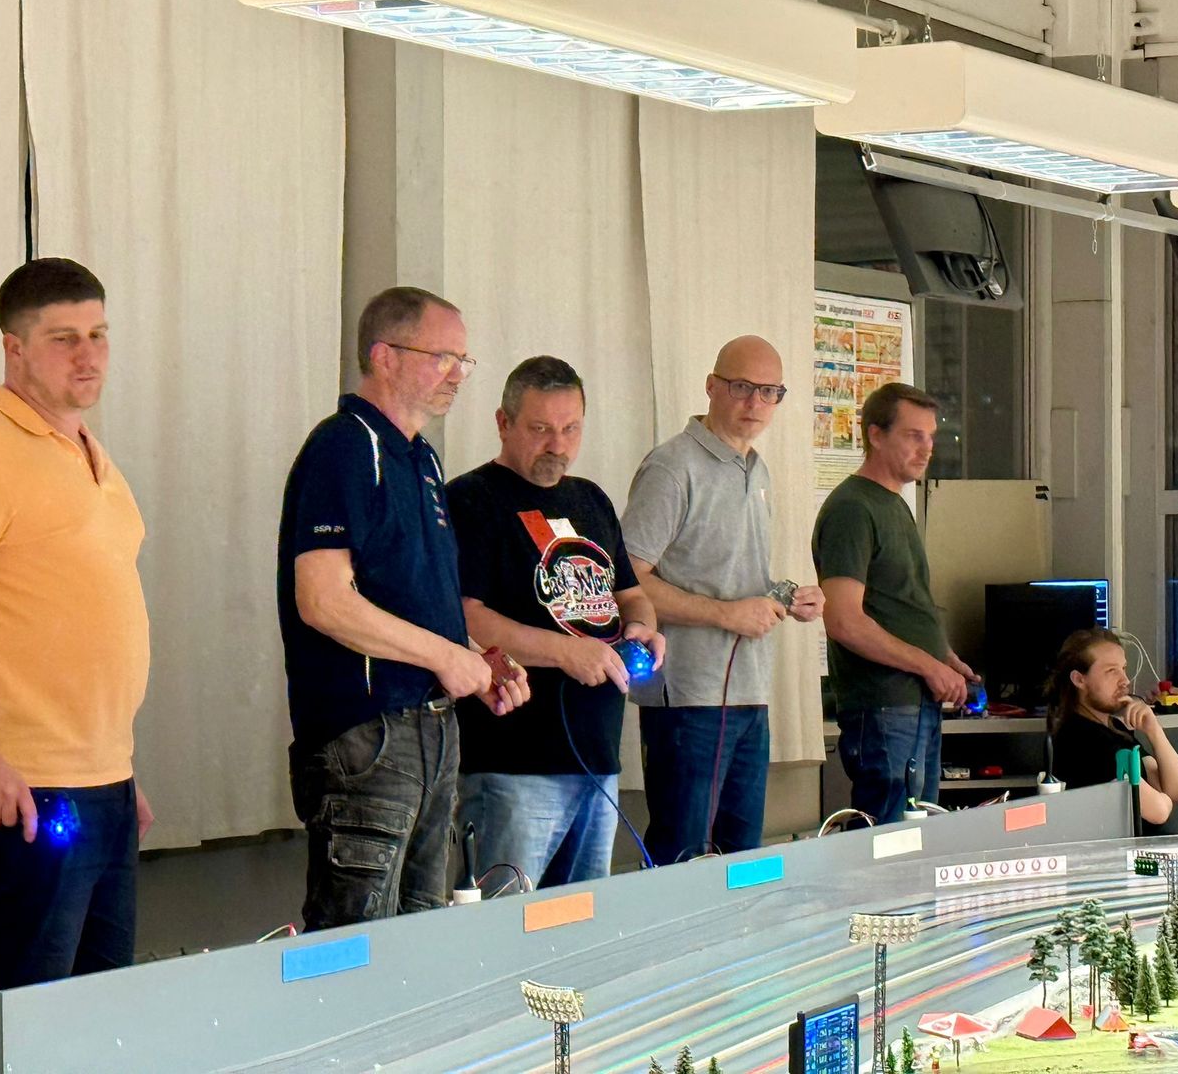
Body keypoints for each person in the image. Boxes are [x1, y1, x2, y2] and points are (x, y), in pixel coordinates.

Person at [0, 258, 153, 998]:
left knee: (97, 1004)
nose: (89, 355)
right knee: (20, 1011)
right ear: (14, 349)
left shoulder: (90, 453)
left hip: (99, 778)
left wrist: (117, 771)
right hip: (17, 785)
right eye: (64, 339)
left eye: (99, 335)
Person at [278, 286, 528, 930]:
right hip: (371, 733)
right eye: (442, 357)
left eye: (464, 360)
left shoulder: (421, 457)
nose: (457, 375)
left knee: (423, 937)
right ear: (383, 356)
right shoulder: (345, 445)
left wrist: (475, 661)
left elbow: (411, 599)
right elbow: (323, 600)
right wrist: (446, 657)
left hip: (433, 728)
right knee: (361, 943)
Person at [447, 357, 664, 892]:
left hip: (597, 755)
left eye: (571, 429)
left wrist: (643, 626)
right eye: (541, 429)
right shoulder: (471, 499)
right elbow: (467, 615)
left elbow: (632, 594)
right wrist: (568, 652)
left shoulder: (590, 498)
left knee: (582, 919)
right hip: (514, 763)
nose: (558, 445)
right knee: (505, 918)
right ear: (503, 423)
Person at [622, 335, 824, 862]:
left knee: (743, 860)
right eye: (741, 387)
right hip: (690, 697)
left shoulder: (757, 468)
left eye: (770, 391)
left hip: (751, 693)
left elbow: (730, 576)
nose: (756, 402)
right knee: (683, 859)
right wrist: (725, 615)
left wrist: (787, 596)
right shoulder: (672, 467)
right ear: (711, 387)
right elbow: (627, 580)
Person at [812, 381, 978, 824]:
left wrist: (943, 657)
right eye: (913, 435)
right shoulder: (853, 508)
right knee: (893, 836)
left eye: (931, 437)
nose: (927, 448)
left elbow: (898, 602)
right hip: (884, 704)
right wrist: (928, 666)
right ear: (876, 434)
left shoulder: (894, 504)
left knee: (919, 831)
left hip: (913, 700)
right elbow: (844, 620)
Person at [1048, 628, 1178, 827]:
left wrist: (1154, 730)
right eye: (1111, 671)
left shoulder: (1115, 728)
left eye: (1123, 668)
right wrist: (1160, 790)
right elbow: (1159, 810)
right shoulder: (1082, 738)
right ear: (1079, 679)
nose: (1125, 680)